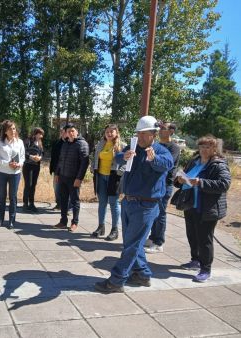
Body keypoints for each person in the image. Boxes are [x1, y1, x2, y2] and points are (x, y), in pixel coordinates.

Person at [94, 115, 173, 293]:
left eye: (145, 134)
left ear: (154, 134)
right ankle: (142, 275)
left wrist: (154, 160)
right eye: (138, 133)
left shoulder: (161, 151)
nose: (141, 137)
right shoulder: (134, 147)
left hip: (146, 206)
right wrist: (124, 155)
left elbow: (167, 164)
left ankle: (116, 280)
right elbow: (118, 158)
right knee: (131, 243)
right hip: (128, 202)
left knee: (133, 245)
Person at [175, 135, 231, 282]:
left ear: (214, 149)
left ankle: (206, 269)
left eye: (208, 147)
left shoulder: (219, 164)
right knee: (192, 235)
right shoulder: (194, 161)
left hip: (207, 208)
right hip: (190, 205)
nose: (204, 150)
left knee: (204, 239)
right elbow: (184, 178)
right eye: (202, 147)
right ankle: (195, 260)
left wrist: (201, 182)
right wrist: (179, 179)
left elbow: (224, 184)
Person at [145, 122, 181, 253]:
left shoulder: (174, 148)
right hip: (154, 183)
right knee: (153, 212)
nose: (160, 130)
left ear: (171, 131)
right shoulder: (157, 145)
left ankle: (159, 242)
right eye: (159, 128)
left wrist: (153, 159)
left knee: (160, 213)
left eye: (163, 128)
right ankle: (153, 237)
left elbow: (166, 164)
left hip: (165, 184)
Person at [91, 124, 126, 241]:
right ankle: (101, 227)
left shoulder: (122, 146)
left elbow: (127, 161)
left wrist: (120, 172)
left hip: (113, 177)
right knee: (102, 203)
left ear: (117, 132)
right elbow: (95, 157)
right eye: (107, 131)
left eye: (112, 131)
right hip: (100, 176)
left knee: (114, 203)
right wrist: (93, 167)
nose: (109, 133)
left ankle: (115, 230)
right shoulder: (100, 144)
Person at [53, 123, 89, 232]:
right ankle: (63, 221)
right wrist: (57, 174)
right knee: (63, 200)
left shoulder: (82, 144)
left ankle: (74, 223)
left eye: (72, 131)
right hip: (63, 176)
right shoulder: (65, 144)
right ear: (66, 133)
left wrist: (79, 178)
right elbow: (60, 160)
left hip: (74, 178)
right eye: (68, 132)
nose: (71, 133)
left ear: (77, 131)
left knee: (74, 201)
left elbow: (84, 163)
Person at [0, 120, 25, 229]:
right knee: (2, 196)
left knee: (13, 196)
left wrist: (19, 164)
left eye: (14, 128)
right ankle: (0, 220)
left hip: (15, 173)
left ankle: (11, 220)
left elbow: (22, 157)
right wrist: (8, 164)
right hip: (2, 173)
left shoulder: (19, 142)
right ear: (5, 131)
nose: (13, 131)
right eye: (10, 129)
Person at [23, 127, 44, 213]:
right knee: (28, 184)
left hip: (36, 167)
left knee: (33, 185)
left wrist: (40, 158)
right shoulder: (28, 141)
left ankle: (31, 203)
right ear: (35, 133)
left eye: (42, 134)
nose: (41, 136)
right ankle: (25, 204)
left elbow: (42, 152)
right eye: (40, 134)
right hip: (28, 166)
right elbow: (23, 153)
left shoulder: (40, 143)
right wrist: (32, 157)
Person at [49, 127, 68, 210]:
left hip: (67, 171)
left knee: (66, 190)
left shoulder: (70, 143)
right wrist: (52, 169)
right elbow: (53, 157)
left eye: (64, 132)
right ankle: (58, 204)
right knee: (56, 188)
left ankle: (66, 207)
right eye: (61, 132)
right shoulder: (56, 143)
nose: (62, 134)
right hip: (57, 170)